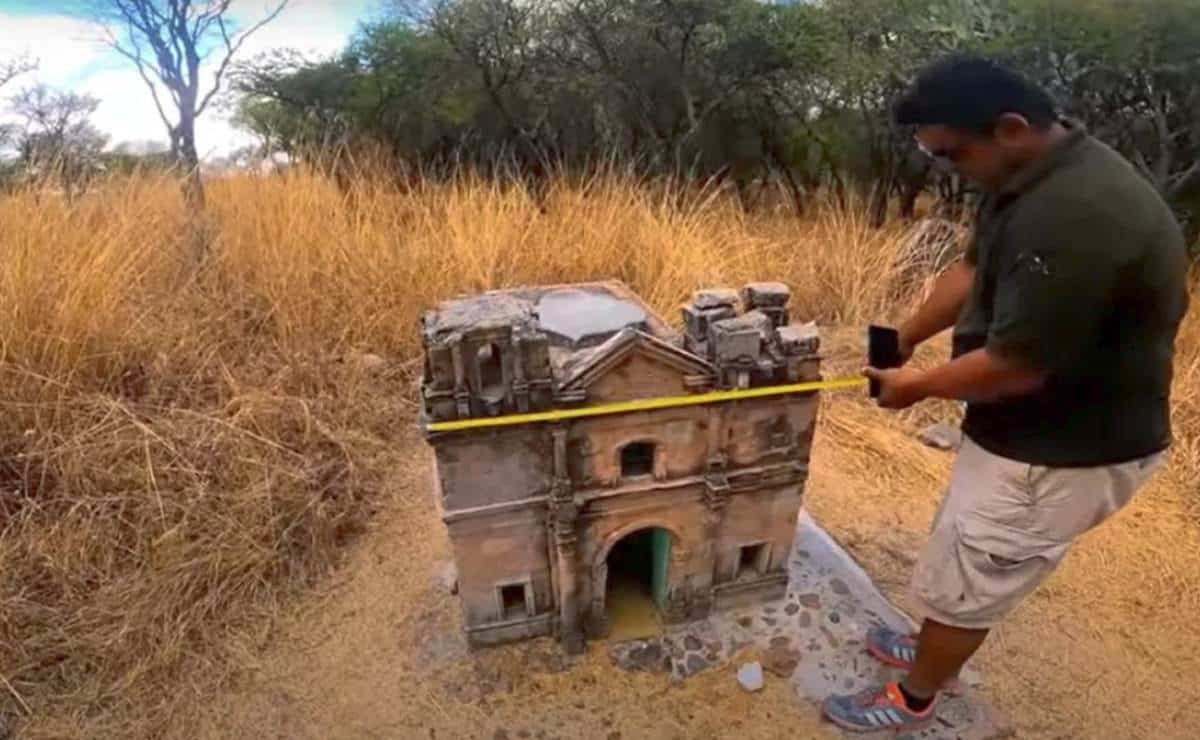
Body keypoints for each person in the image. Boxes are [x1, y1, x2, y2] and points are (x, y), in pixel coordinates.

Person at [820, 55, 1190, 732]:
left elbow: (1017, 366)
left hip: (1063, 449)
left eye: (952, 154)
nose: (949, 169)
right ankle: (933, 647)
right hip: (1021, 430)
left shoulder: (1078, 216)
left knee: (974, 573)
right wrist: (906, 336)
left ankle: (916, 696)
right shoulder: (1026, 176)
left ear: (1011, 128)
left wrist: (915, 387)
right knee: (961, 554)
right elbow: (973, 269)